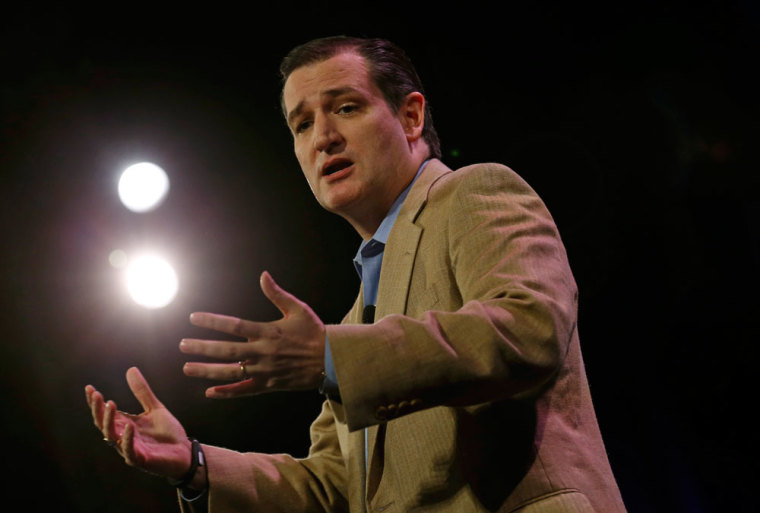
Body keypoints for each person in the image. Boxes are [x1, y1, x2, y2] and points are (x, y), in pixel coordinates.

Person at [85, 36, 627, 512]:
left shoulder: (474, 192)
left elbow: (527, 329)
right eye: (301, 123)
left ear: (411, 117)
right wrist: (196, 464)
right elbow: (335, 488)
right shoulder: (355, 317)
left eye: (344, 108)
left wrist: (328, 355)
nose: (322, 137)